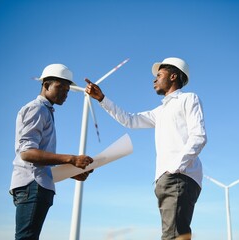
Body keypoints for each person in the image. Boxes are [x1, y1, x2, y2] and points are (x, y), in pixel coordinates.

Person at [85, 57, 207, 240]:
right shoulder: (159, 112)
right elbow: (130, 120)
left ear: (173, 76)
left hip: (179, 176)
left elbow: (199, 136)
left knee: (173, 236)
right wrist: (102, 99)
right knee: (173, 235)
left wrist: (174, 168)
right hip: (167, 179)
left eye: (159, 74)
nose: (154, 79)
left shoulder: (188, 99)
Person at [9, 63, 94, 240]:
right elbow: (27, 153)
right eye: (60, 87)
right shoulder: (37, 108)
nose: (65, 93)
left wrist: (71, 171)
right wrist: (72, 159)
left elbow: (39, 159)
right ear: (46, 85)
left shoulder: (46, 111)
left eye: (68, 89)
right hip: (33, 186)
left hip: (37, 186)